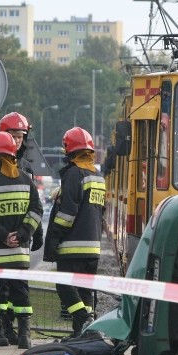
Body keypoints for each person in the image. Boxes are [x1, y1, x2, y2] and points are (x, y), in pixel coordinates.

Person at [0, 111, 44, 346]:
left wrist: (33, 234)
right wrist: (20, 234)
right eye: (12, 136)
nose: (16, 141)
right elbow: (36, 208)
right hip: (13, 247)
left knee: (4, 292)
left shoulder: (25, 168)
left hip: (0, 246)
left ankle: (5, 332)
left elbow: (33, 206)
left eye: (20, 136)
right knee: (11, 292)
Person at [44, 127, 105, 337]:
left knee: (65, 285)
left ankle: (82, 319)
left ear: (68, 150)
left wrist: (55, 237)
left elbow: (68, 213)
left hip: (73, 245)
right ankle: (82, 332)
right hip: (93, 246)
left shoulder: (73, 174)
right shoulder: (97, 176)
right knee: (85, 290)